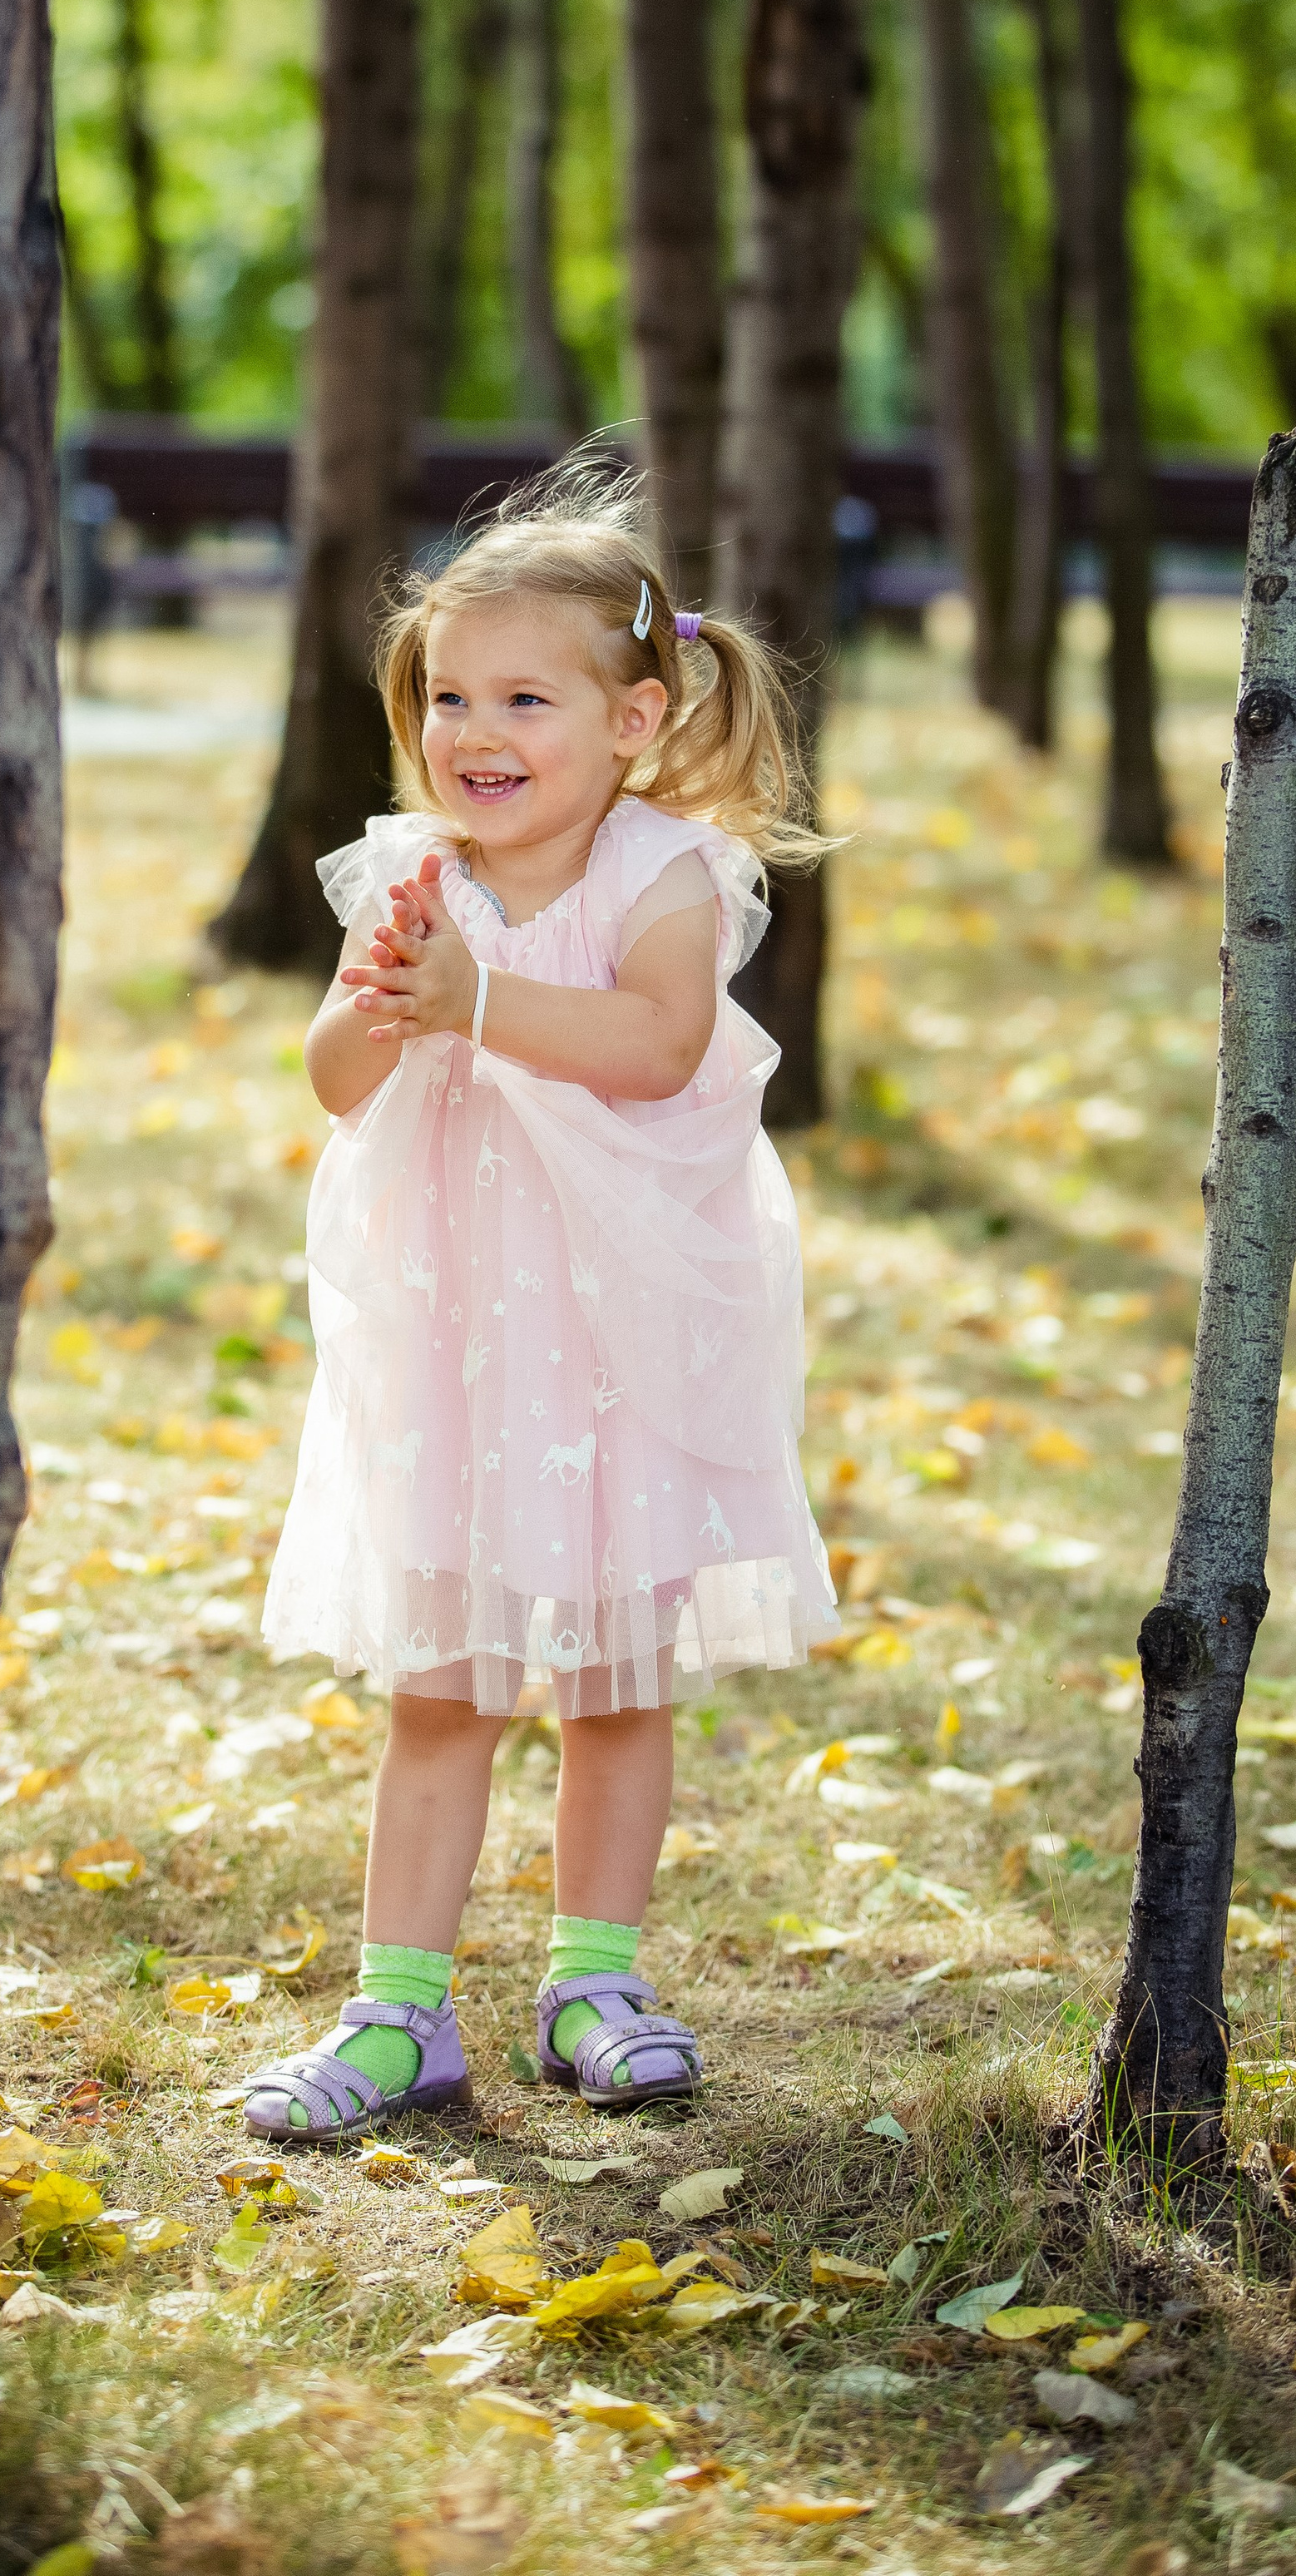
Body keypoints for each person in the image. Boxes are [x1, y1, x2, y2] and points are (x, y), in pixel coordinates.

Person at [240, 461, 838, 2143]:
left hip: (615, 1330)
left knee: (612, 1679)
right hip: (457, 1330)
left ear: (634, 718)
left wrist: (481, 997)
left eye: (522, 697)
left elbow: (655, 1048)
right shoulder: (413, 876)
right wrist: (392, 1001)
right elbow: (335, 1074)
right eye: (445, 695)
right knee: (440, 1685)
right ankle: (396, 2014)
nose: (471, 729)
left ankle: (594, 1977)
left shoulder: (665, 878)